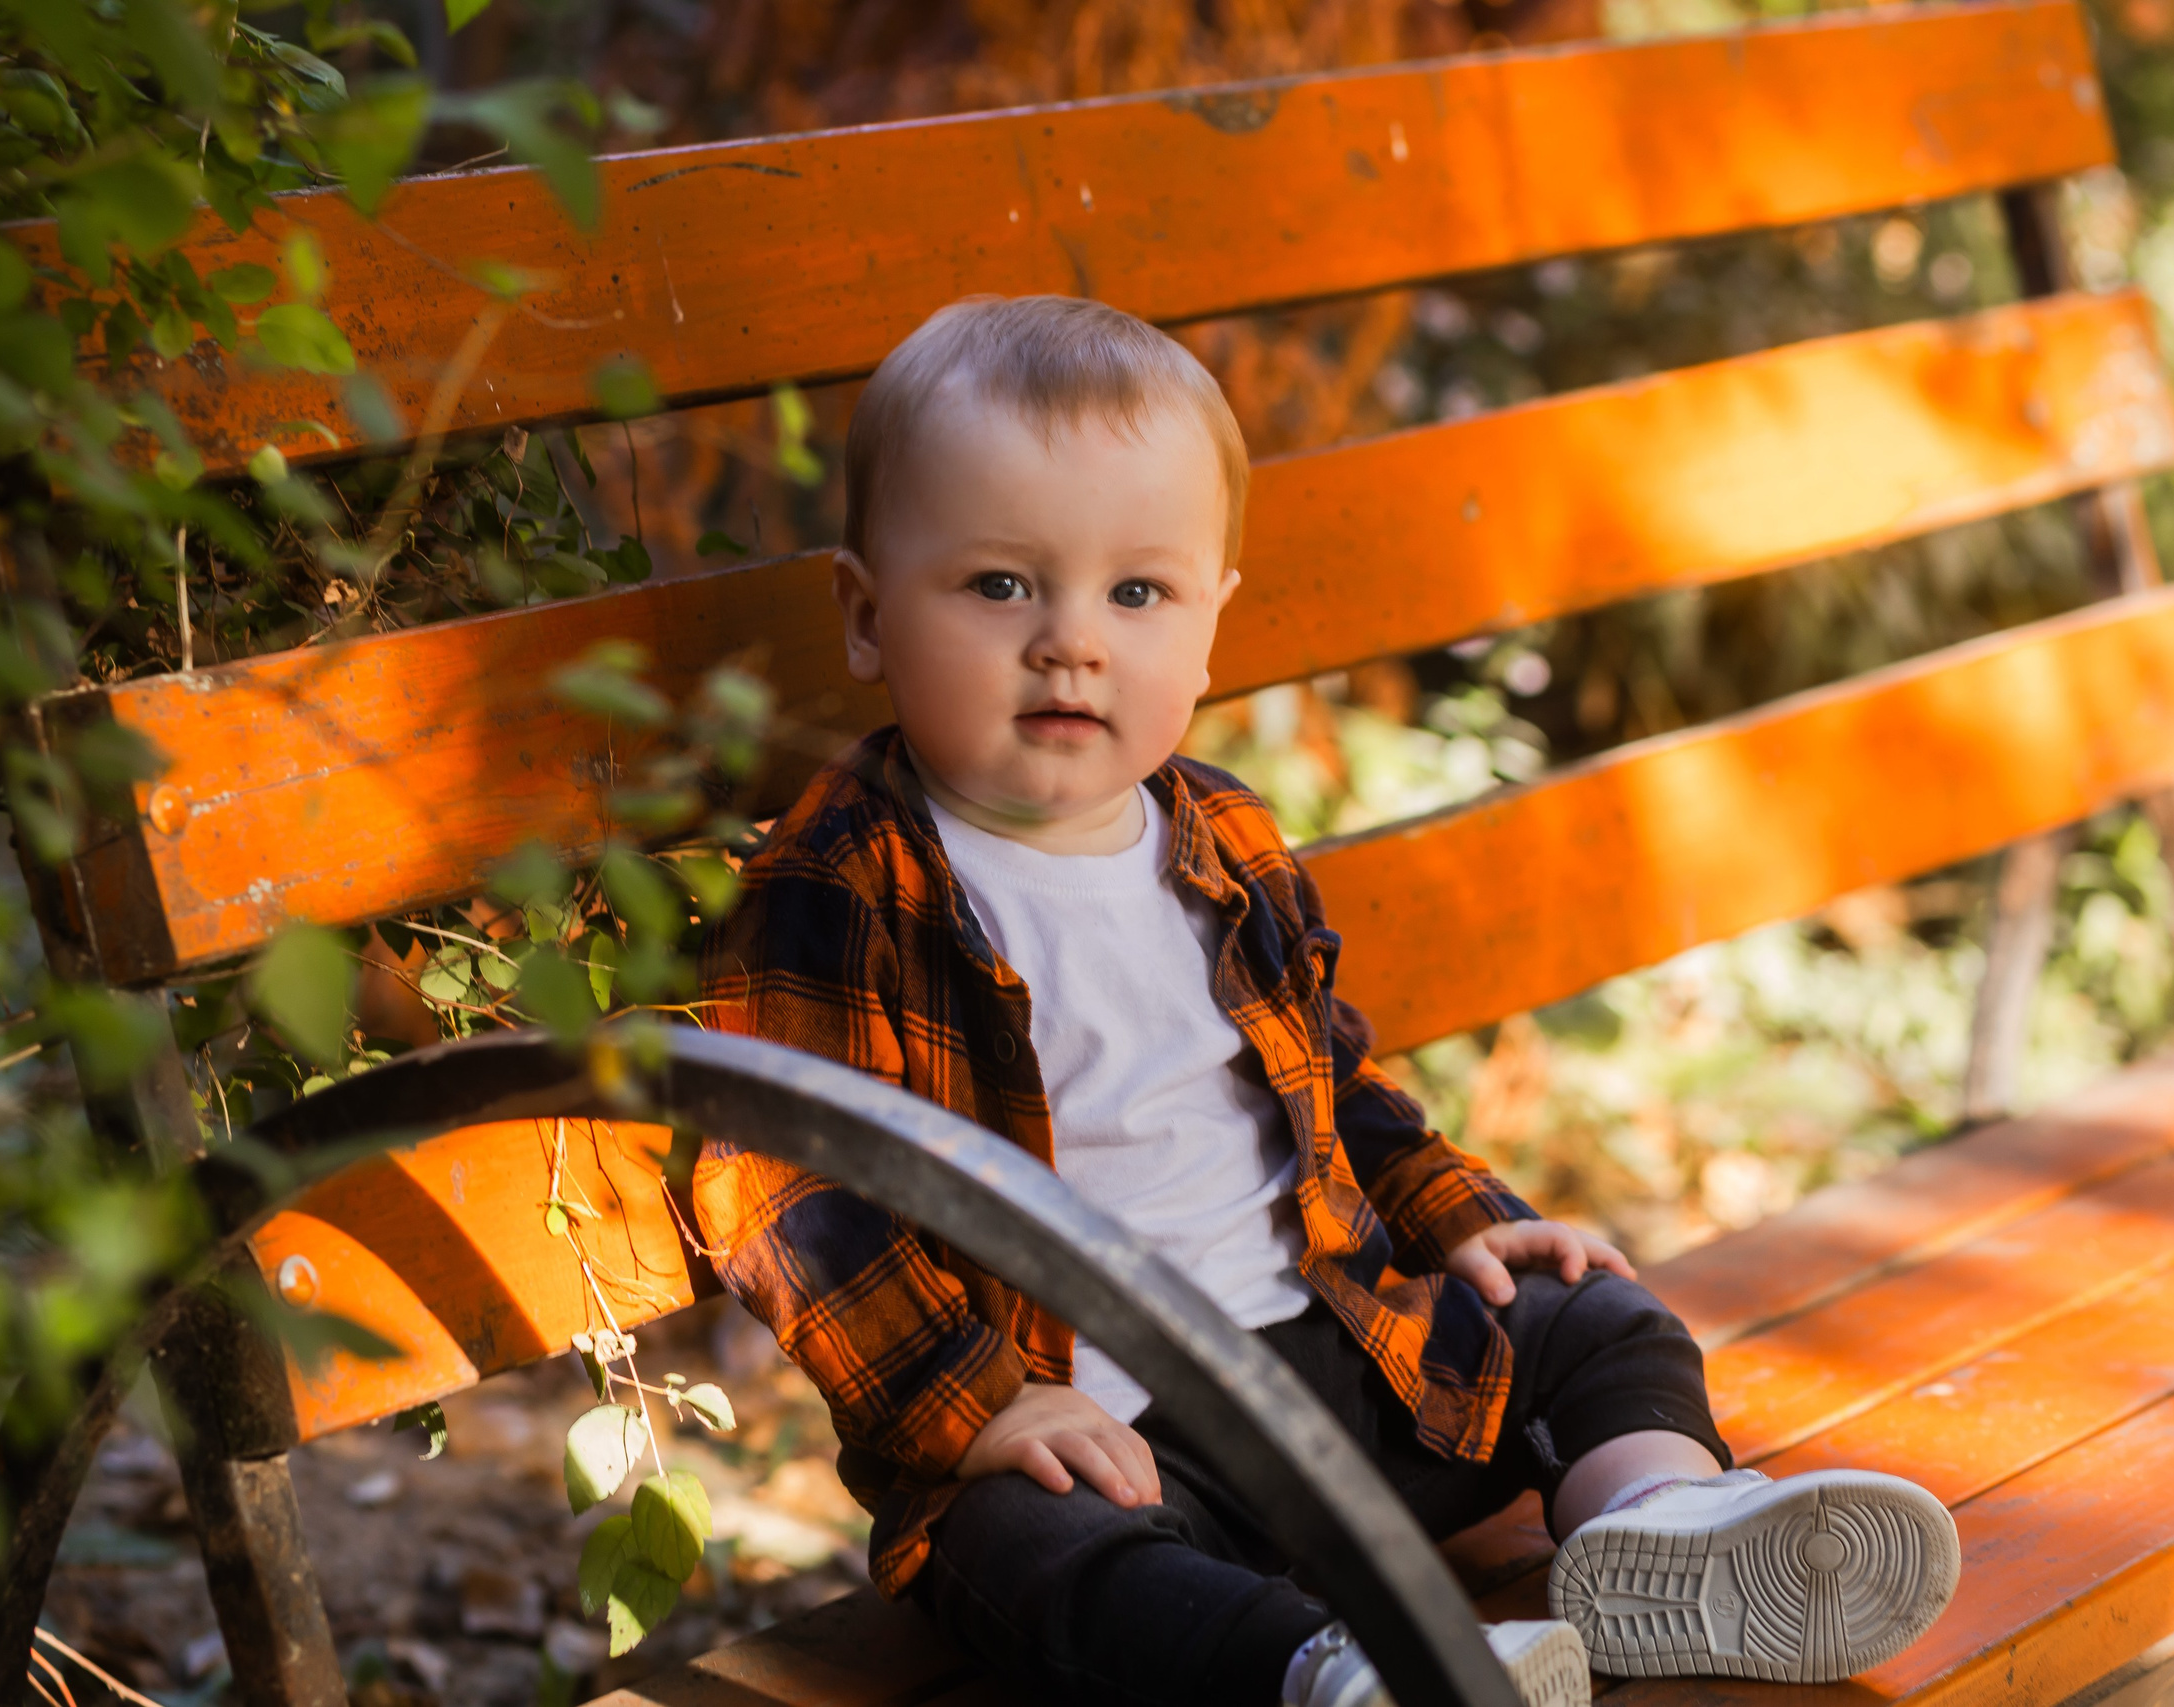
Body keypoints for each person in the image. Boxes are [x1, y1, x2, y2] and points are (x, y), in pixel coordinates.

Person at [693, 295, 1959, 1707]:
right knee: (1014, 1555)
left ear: (1211, 627)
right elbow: (783, 1179)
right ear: (867, 617)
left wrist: (1474, 1222)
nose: (1071, 643)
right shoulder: (851, 879)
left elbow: (1339, 1093)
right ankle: (1324, 1674)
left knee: (1592, 1314)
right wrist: (983, 1406)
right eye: (1000, 587)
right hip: (1106, 1438)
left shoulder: (1223, 843)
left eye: (1136, 593)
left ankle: (1656, 1531)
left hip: (1343, 1364)